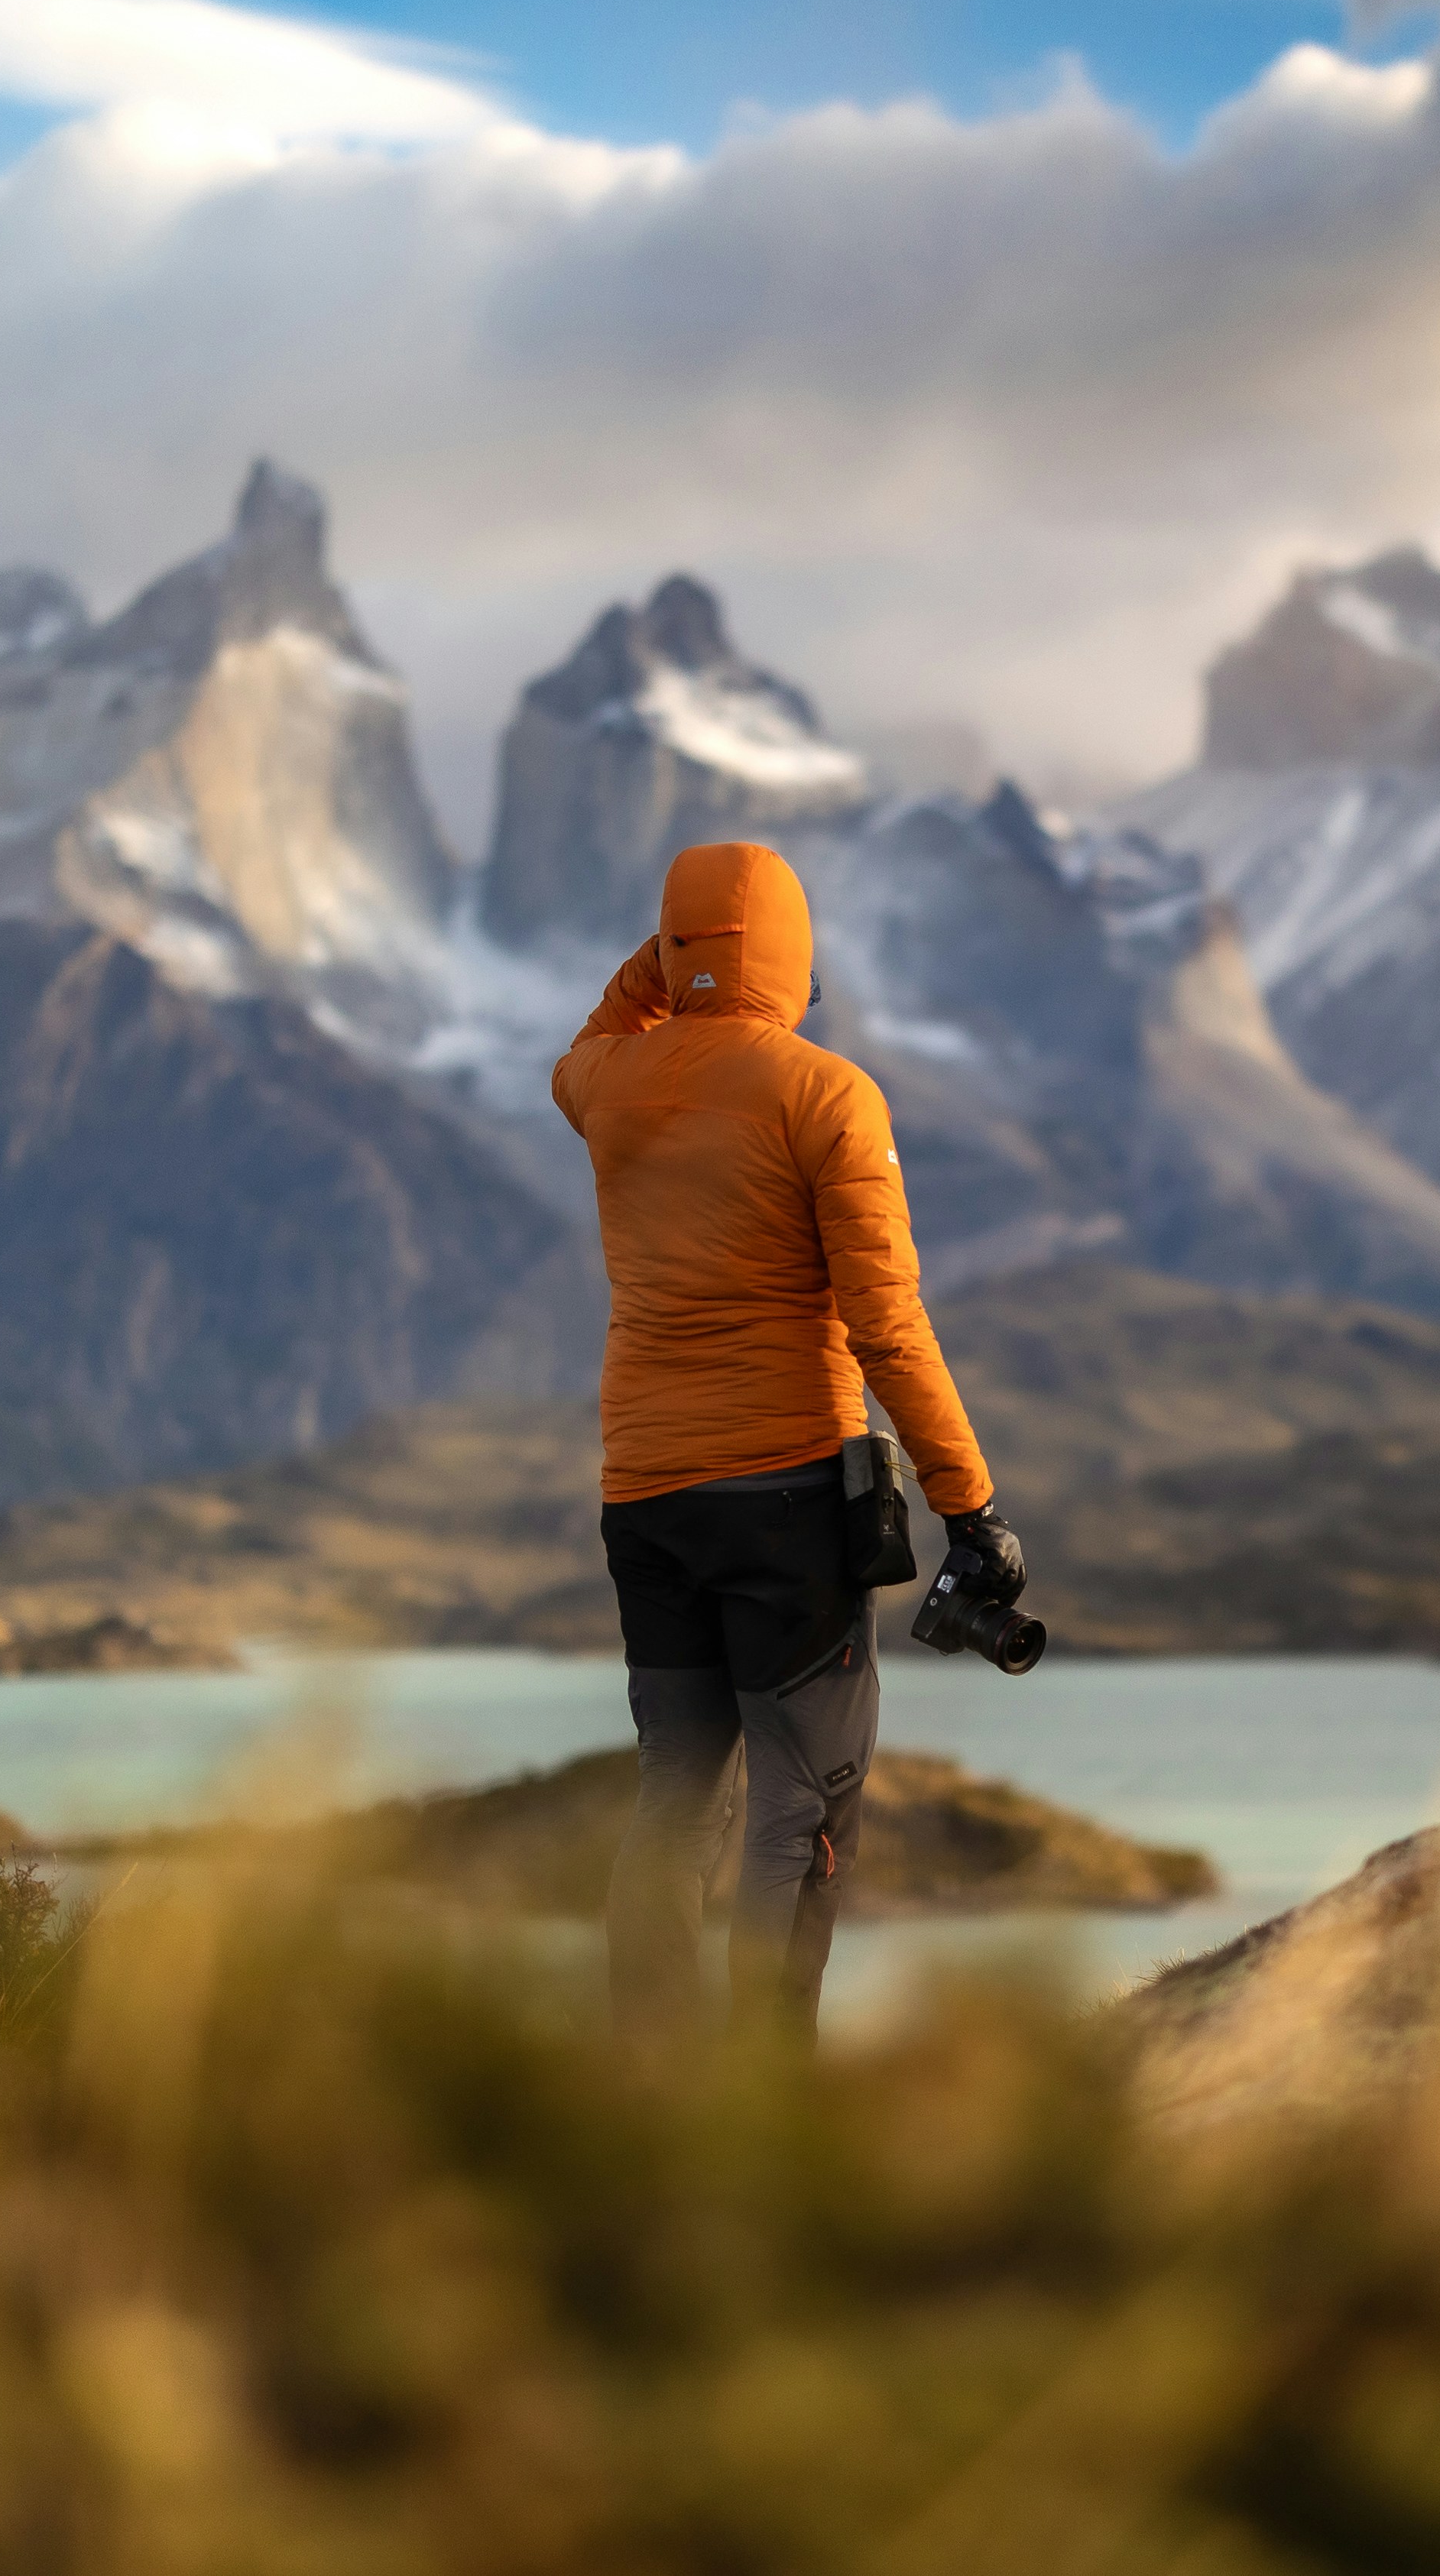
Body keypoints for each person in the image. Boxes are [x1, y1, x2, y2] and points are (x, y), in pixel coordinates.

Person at [550, 839, 1026, 2044]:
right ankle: (766, 2112)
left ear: (673, 951)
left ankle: (647, 2086)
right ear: (795, 956)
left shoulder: (606, 1085)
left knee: (675, 1799)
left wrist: (676, 962)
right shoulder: (826, 1093)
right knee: (801, 1801)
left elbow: (604, 1024)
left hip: (645, 1497)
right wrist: (968, 1504)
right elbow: (887, 1323)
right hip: (785, 1494)